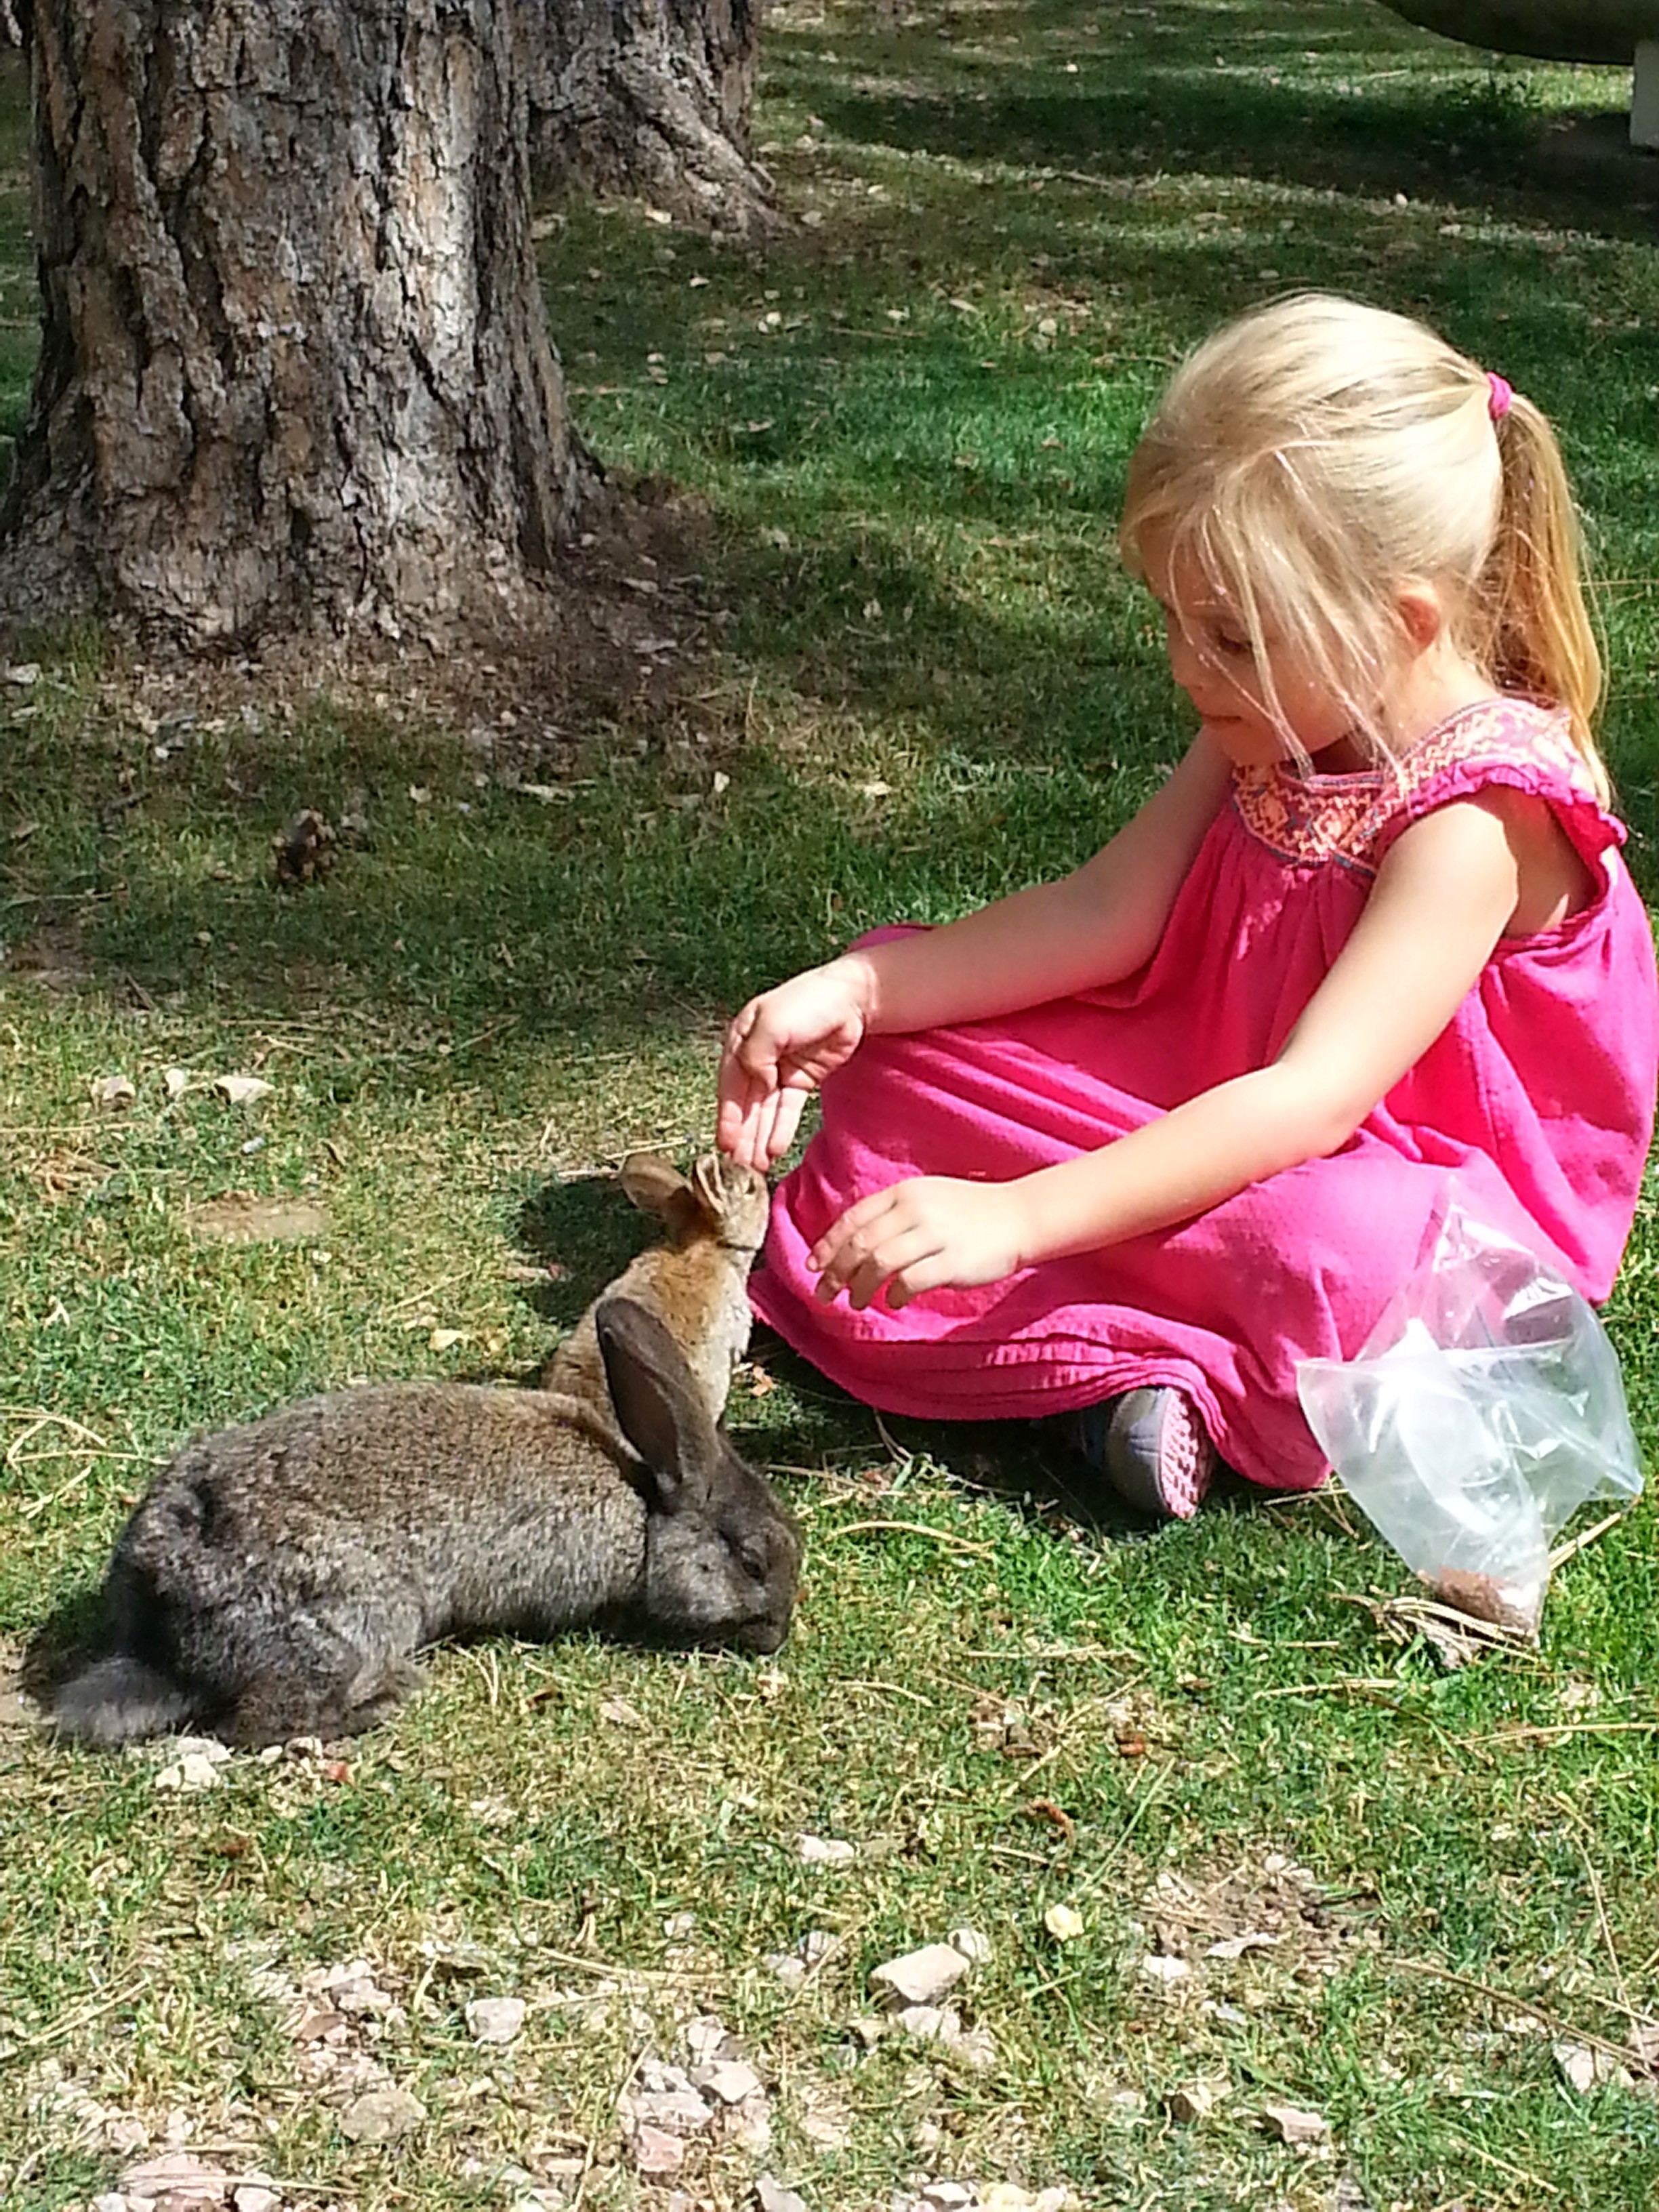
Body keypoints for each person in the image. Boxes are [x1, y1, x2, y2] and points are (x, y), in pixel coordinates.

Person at [715, 293, 1659, 1521]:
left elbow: (1313, 1102)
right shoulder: (1284, 712)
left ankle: (1128, 1373)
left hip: (1387, 1181)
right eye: (1172, 619)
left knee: (1330, 1245)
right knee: (894, 1058)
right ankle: (1112, 1339)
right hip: (1205, 1090)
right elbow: (1108, 912)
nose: (1180, 665)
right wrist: (862, 991)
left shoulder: (1479, 819)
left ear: (1400, 621)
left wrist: (1022, 1213)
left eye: (1224, 633)